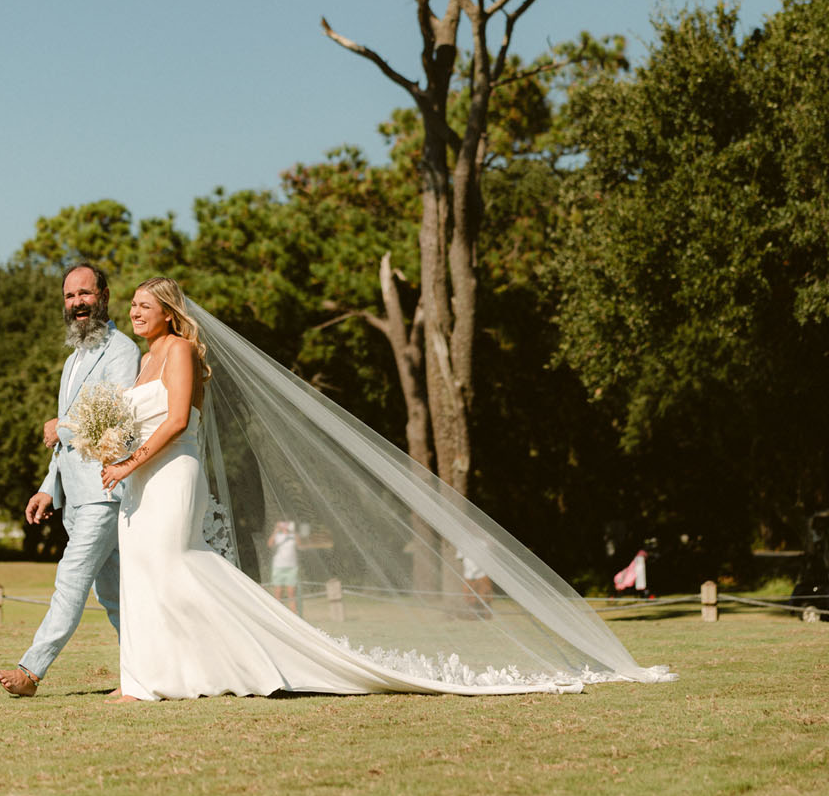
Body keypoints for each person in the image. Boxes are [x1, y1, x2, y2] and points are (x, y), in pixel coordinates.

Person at [100, 278, 674, 701]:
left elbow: (177, 420)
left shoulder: (178, 350)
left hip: (172, 471)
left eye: (144, 306)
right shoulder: (144, 358)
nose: (135, 313)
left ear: (171, 313)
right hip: (139, 476)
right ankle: (156, 675)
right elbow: (136, 419)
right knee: (147, 570)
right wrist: (108, 447)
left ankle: (253, 655)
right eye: (132, 306)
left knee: (181, 563)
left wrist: (131, 462)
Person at [0, 263, 140, 697]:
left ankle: (30, 672)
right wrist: (46, 488)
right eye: (69, 297)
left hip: (105, 492)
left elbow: (118, 417)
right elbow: (63, 446)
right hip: (73, 497)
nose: (76, 303)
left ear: (104, 296)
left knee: (70, 580)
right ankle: (146, 670)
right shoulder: (72, 360)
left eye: (84, 294)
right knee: (112, 598)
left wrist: (64, 426)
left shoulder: (123, 351)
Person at [267, 519, 299, 613]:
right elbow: (269, 544)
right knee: (278, 592)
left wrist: (293, 531)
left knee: (291, 593)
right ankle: (279, 614)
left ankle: (294, 613)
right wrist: (276, 530)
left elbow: (299, 544)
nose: (285, 526)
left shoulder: (293, 536)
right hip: (279, 566)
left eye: (287, 524)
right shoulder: (278, 536)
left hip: (292, 567)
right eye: (283, 524)